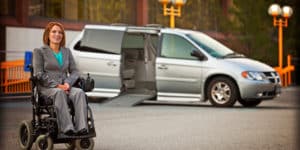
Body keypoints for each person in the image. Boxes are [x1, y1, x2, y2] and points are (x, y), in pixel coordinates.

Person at [33, 22, 88, 136]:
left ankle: (81, 128)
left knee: (79, 92)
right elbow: (39, 74)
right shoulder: (39, 52)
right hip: (47, 88)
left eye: (60, 32)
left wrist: (68, 84)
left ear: (62, 36)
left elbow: (74, 71)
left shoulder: (66, 52)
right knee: (59, 93)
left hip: (65, 86)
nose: (57, 34)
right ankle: (67, 128)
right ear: (48, 34)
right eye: (54, 31)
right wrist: (57, 86)